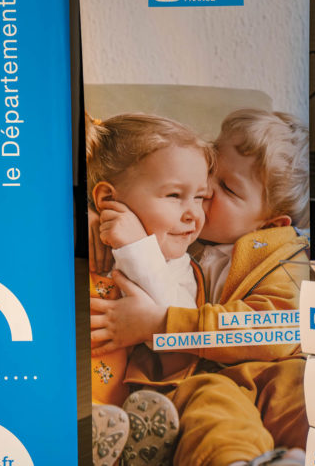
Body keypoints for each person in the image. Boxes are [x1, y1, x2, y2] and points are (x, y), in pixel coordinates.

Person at [89, 109, 311, 466]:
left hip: (267, 373)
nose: (203, 194)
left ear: (270, 223)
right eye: (210, 172)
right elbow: (129, 190)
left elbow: (277, 331)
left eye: (225, 188)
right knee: (216, 404)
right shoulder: (182, 234)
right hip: (202, 383)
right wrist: (95, 216)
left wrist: (160, 325)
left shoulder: (285, 255)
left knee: (301, 387)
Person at [85, 112, 213, 466]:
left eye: (200, 197)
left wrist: (138, 249)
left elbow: (185, 332)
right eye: (175, 195)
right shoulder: (85, 238)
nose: (193, 215)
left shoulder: (179, 267)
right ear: (108, 198)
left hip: (132, 404)